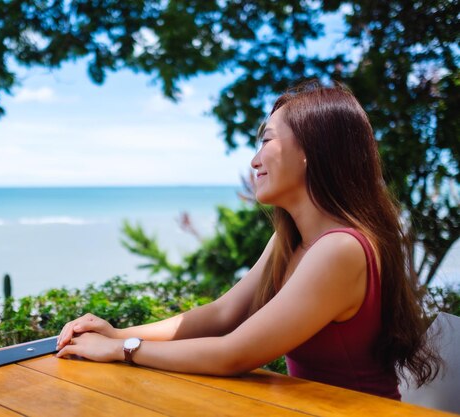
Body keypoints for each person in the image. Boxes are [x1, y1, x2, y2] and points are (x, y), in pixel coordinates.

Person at [55, 82, 440, 400]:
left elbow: (233, 353)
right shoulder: (291, 238)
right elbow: (224, 314)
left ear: (311, 151)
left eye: (267, 141)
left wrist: (124, 351)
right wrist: (117, 333)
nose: (254, 161)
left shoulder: (341, 249)